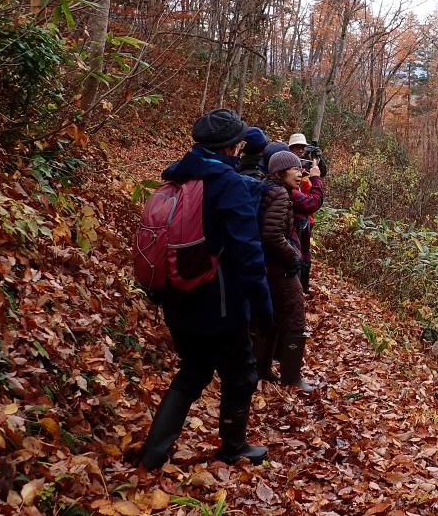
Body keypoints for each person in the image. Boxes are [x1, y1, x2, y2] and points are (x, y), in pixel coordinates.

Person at [139, 109, 274, 470]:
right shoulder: (227, 185)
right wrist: (263, 309)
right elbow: (248, 254)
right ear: (232, 148)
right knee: (241, 374)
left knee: (194, 370)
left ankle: (153, 454)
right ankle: (234, 445)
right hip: (221, 303)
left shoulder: (176, 176)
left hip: (177, 295)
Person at [255, 150, 314, 391]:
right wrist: (293, 255)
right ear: (280, 172)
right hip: (279, 267)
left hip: (267, 266)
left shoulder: (268, 189)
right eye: (295, 169)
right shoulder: (280, 194)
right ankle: (292, 378)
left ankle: (263, 370)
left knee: (270, 318)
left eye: (301, 169)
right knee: (294, 318)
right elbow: (271, 235)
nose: (300, 174)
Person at [286, 134, 324, 295]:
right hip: (296, 216)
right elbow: (313, 201)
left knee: (305, 252)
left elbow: (321, 172)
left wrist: (318, 158)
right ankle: (297, 287)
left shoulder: (304, 164)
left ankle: (304, 286)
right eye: (296, 147)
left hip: (306, 218)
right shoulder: (286, 167)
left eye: (302, 147)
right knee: (296, 251)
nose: (300, 150)